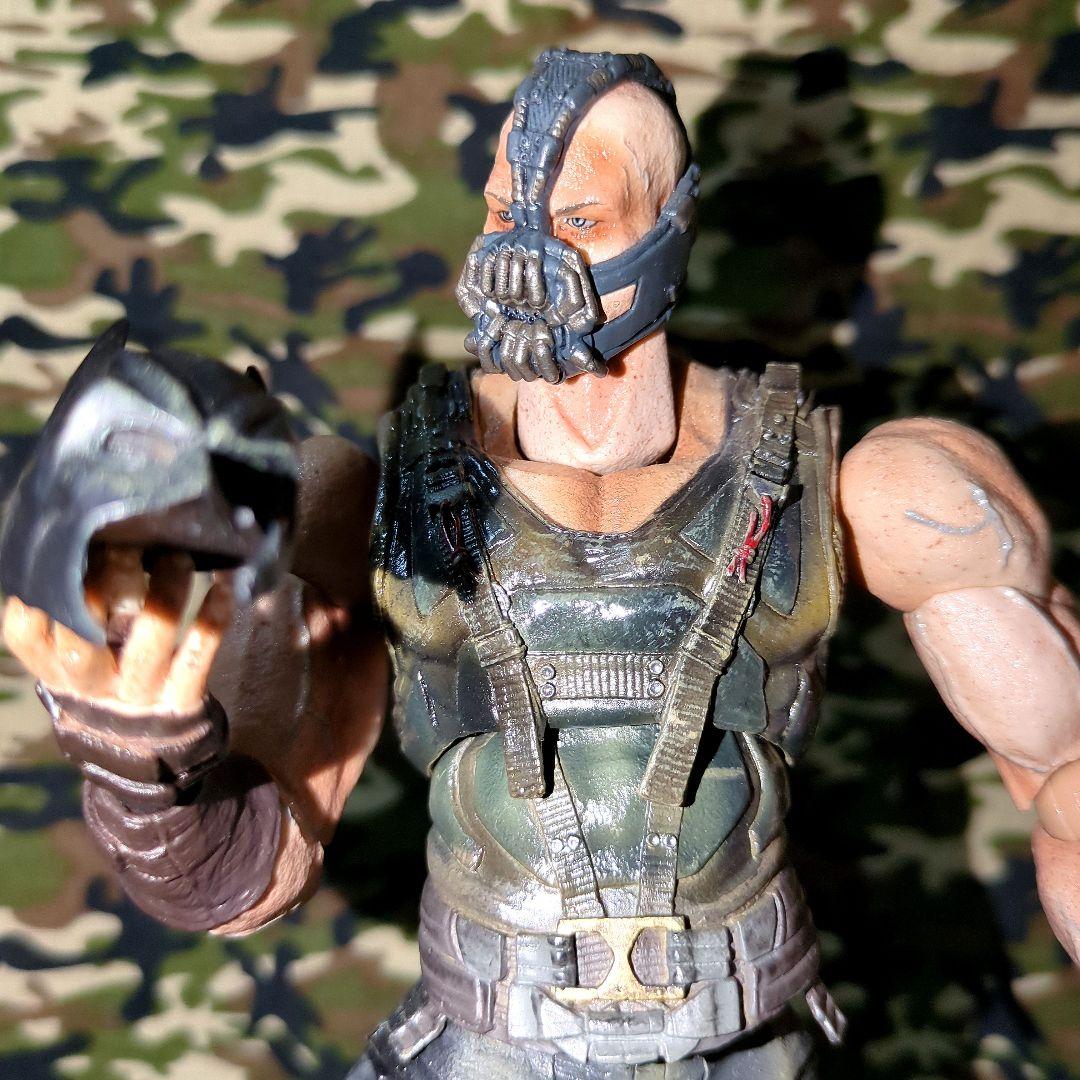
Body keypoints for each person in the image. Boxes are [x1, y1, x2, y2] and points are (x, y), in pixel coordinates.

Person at [1, 48, 1076, 1080]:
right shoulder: (360, 503)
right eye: (502, 210)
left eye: (576, 220)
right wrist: (142, 771)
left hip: (745, 1036)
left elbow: (1065, 778)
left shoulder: (869, 492)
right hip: (488, 1038)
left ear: (670, 225)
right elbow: (249, 881)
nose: (522, 253)